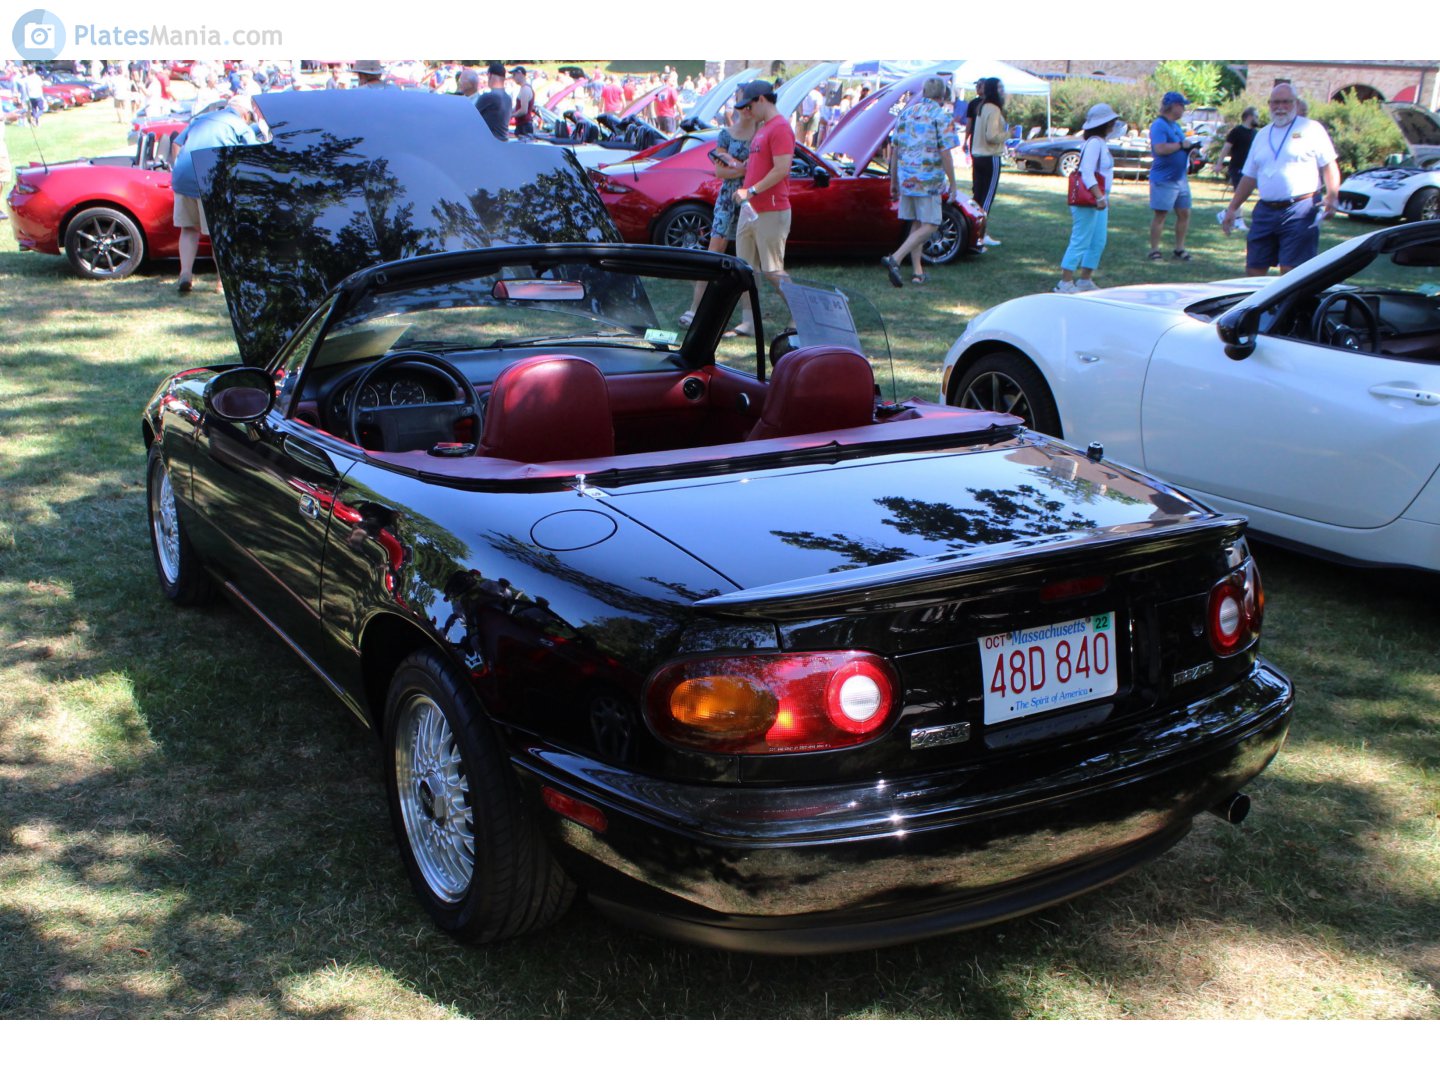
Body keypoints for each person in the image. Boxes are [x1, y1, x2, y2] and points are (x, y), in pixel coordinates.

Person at [1221, 82, 1341, 276]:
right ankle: (1257, 307)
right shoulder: (1261, 135)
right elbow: (1249, 177)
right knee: (1253, 269)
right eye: (1275, 102)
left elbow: (1329, 165)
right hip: (1265, 210)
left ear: (1295, 103)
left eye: (1285, 102)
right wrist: (1232, 208)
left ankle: (1289, 308)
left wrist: (1332, 195)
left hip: (1300, 209)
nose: (1280, 107)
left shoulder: (1311, 129)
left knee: (1291, 272)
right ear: (1269, 104)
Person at [170, 95, 261, 293]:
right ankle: (222, 282)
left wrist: (176, 167)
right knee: (219, 234)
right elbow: (255, 154)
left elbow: (176, 143)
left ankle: (185, 273)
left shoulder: (201, 119)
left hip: (182, 178)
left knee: (188, 229)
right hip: (210, 180)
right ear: (245, 114)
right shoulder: (239, 125)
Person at [678, 105, 758, 326]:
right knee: (714, 250)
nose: (746, 110)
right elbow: (720, 171)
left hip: (752, 198)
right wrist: (744, 168)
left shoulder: (761, 133)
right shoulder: (726, 134)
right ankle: (695, 309)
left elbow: (759, 170)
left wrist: (736, 165)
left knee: (748, 257)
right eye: (742, 106)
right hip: (727, 199)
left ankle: (748, 319)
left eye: (750, 106)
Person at [730, 81, 795, 337]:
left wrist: (752, 190)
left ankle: (801, 316)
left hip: (771, 209)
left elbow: (782, 169)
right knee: (745, 270)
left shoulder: (780, 128)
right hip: (751, 210)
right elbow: (765, 164)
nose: (747, 111)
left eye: (749, 105)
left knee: (772, 269)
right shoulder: (763, 128)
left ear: (760, 99)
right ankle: (749, 322)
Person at [881, 76, 958, 287]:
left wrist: (893, 180)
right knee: (932, 224)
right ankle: (895, 258)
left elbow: (895, 150)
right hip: (929, 180)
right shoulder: (941, 117)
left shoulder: (906, 114)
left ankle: (917, 272)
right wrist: (953, 183)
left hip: (907, 178)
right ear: (942, 96)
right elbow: (946, 154)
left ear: (924, 93)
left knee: (916, 223)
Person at [1055, 103, 1122, 294]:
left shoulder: (1098, 143)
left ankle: (1085, 279)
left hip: (1098, 199)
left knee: (1098, 240)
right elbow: (1087, 172)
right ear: (1106, 124)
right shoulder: (1094, 144)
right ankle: (1066, 282)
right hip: (1091, 199)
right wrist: (1099, 196)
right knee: (1081, 239)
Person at [1148, 90, 1199, 262]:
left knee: (1184, 213)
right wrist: (1180, 145)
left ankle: (1179, 248)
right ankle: (1154, 250)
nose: (1184, 109)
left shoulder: (1176, 126)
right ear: (1174, 106)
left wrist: (1191, 151)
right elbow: (1160, 149)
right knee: (1161, 214)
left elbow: (1182, 145)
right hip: (1164, 178)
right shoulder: (1159, 125)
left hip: (1181, 178)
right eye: (1182, 106)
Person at [970, 77, 1007, 246]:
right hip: (990, 156)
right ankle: (980, 235)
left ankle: (973, 232)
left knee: (978, 196)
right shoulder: (993, 109)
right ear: (994, 90)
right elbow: (991, 136)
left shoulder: (981, 107)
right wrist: (1009, 134)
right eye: (999, 88)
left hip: (977, 155)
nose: (1002, 91)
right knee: (986, 199)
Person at [1222, 107, 1260, 189]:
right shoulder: (1237, 131)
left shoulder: (1255, 133)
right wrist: (1219, 163)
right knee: (1240, 190)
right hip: (1237, 167)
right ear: (1250, 117)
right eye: (1256, 117)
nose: (1258, 119)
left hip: (1250, 167)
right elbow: (1226, 147)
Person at [476, 62, 511, 139]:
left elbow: (470, 117)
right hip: (503, 140)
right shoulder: (508, 98)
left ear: (489, 75)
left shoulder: (488, 97)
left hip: (489, 143)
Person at [510, 66, 536, 137]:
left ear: (520, 74)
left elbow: (523, 110)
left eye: (514, 75)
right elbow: (519, 108)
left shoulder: (525, 89)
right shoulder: (524, 88)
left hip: (524, 126)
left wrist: (511, 115)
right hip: (522, 125)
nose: (513, 78)